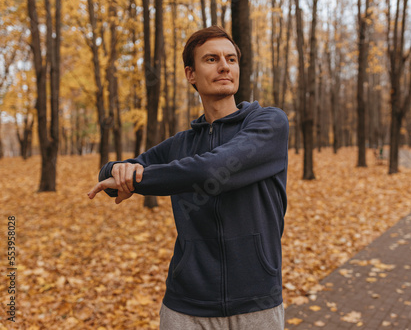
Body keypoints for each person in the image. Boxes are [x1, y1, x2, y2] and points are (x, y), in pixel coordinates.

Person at [88, 26, 289, 330]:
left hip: (256, 303)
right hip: (185, 307)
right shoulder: (181, 144)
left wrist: (139, 179)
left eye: (231, 59)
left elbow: (213, 170)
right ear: (190, 74)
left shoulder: (268, 123)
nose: (224, 66)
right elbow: (112, 174)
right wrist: (116, 168)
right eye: (211, 59)